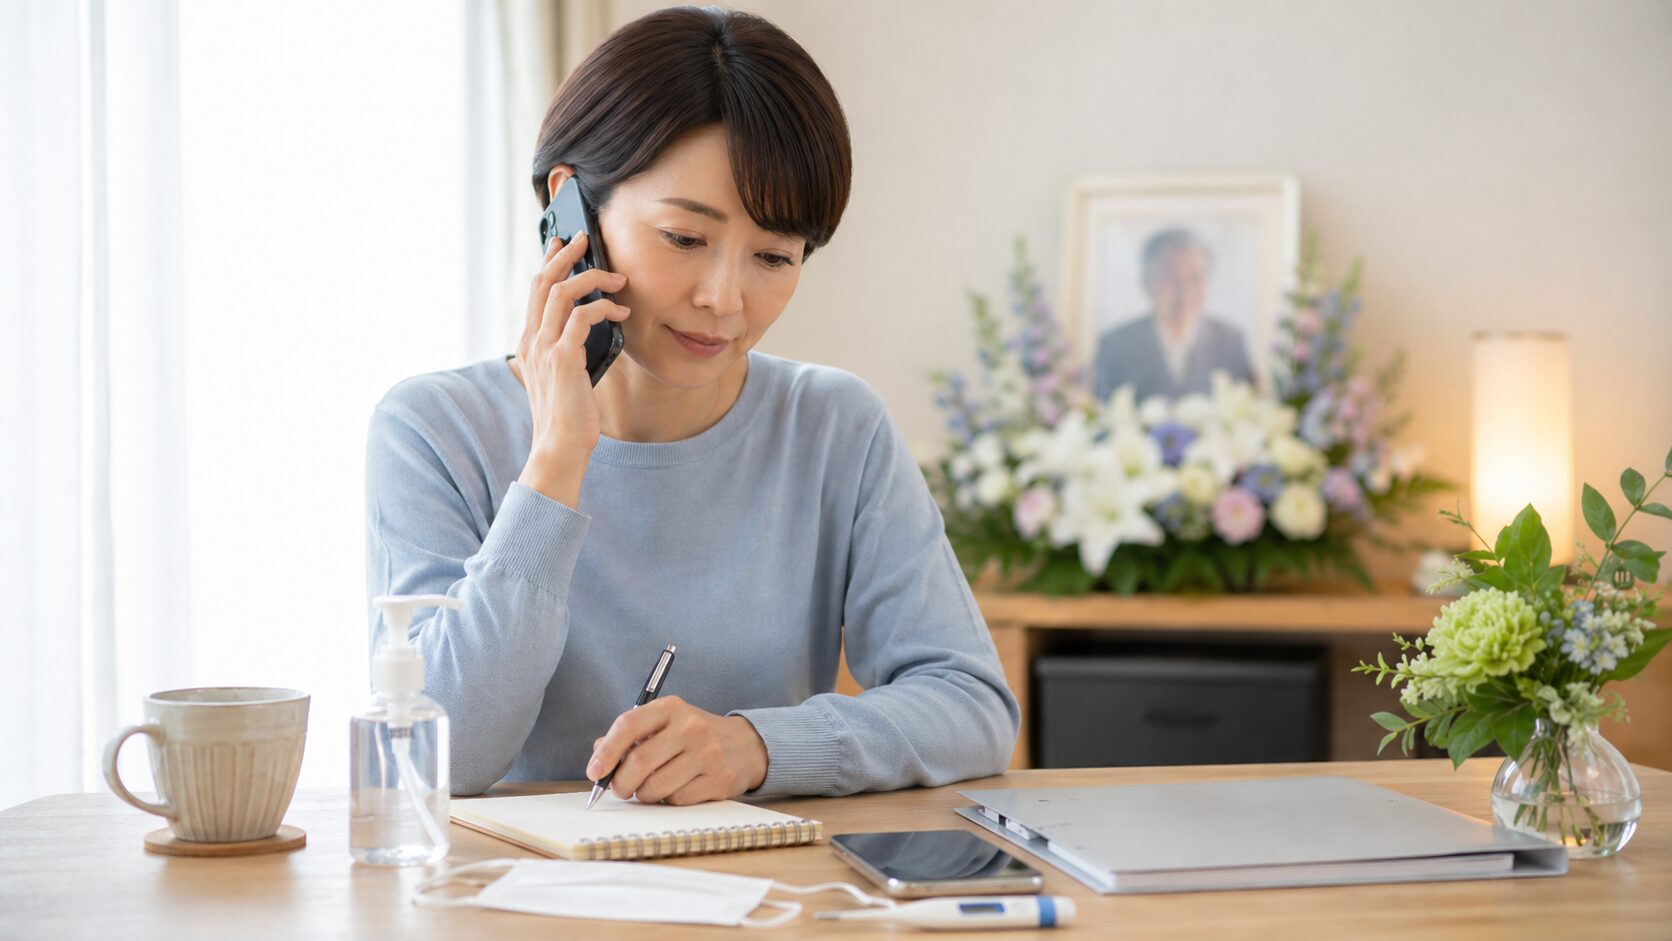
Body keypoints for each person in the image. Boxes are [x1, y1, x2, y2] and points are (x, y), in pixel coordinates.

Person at [364, 7, 1018, 802]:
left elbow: (973, 704)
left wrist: (758, 746)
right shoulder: (433, 431)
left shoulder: (835, 427)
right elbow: (445, 752)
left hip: (767, 903)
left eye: (774, 256)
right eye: (684, 237)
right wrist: (558, 459)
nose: (724, 299)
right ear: (572, 209)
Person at [1092, 227, 1255, 402]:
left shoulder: (1231, 340)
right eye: (1170, 276)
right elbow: (1101, 412)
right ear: (1147, 282)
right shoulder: (1115, 345)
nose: (1184, 290)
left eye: (1195, 277)